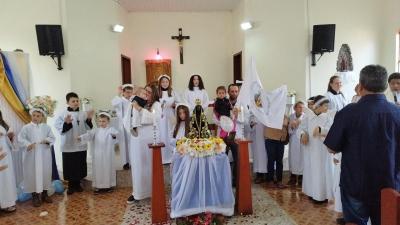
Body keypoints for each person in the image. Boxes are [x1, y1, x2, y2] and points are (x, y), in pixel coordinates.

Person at [324, 65, 400, 225]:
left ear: (361, 85)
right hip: (389, 186)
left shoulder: (348, 112)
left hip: (356, 184)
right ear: (386, 86)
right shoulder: (397, 113)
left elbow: (331, 147)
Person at [124, 83, 161, 203]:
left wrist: (140, 109)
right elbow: (127, 118)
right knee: (137, 165)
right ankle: (137, 193)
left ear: (154, 94)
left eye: (149, 92)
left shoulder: (156, 105)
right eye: (145, 92)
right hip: (137, 138)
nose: (147, 94)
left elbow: (155, 118)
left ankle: (152, 191)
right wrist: (133, 108)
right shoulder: (136, 102)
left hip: (149, 138)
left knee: (149, 164)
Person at [54, 92, 94, 195]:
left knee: (80, 163)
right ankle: (71, 185)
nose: (76, 103)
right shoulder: (62, 113)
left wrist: (89, 119)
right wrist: (66, 124)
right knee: (70, 164)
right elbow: (59, 128)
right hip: (69, 143)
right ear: (68, 102)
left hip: (80, 143)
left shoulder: (83, 113)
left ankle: (78, 184)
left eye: (77, 101)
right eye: (73, 101)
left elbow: (89, 127)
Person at [299, 95, 334, 203]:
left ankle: (321, 195)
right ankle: (311, 192)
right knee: (311, 170)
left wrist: (321, 130)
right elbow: (301, 129)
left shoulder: (327, 117)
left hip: (323, 151)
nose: (327, 108)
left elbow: (332, 130)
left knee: (321, 172)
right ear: (318, 106)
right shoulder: (307, 117)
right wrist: (302, 134)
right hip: (310, 149)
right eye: (325, 105)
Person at [18, 107, 55, 207]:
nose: (35, 118)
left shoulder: (46, 127)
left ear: (42, 117)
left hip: (44, 155)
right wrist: (27, 144)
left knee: (45, 172)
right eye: (34, 115)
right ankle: (34, 196)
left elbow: (52, 137)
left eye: (38, 116)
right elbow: (20, 138)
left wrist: (46, 140)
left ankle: (44, 194)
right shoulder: (26, 127)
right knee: (31, 174)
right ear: (31, 115)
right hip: (31, 156)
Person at [78, 112, 118, 194]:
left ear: (108, 121)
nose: (101, 123)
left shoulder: (111, 129)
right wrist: (81, 138)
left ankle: (108, 186)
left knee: (107, 168)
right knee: (98, 169)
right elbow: (89, 135)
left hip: (108, 154)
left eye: (103, 121)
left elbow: (116, 136)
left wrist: (114, 136)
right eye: (100, 121)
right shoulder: (96, 130)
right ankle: (99, 186)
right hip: (98, 153)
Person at [111, 84, 134, 170]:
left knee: (132, 143)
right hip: (123, 126)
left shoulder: (133, 100)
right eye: (127, 92)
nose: (129, 94)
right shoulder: (120, 100)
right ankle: (125, 162)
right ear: (123, 92)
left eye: (131, 92)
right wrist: (118, 93)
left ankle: (133, 161)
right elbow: (114, 103)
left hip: (131, 125)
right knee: (124, 144)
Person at [264, 115, 289, 189]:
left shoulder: (285, 116)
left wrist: (285, 123)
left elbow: (286, 124)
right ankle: (270, 180)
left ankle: (279, 181)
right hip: (270, 138)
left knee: (279, 161)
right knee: (271, 160)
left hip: (280, 140)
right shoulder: (269, 113)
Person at [0, 111, 17, 213]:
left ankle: (7, 203)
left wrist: (10, 137)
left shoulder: (4, 124)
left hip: (6, 155)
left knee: (6, 178)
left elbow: (9, 141)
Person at [158, 75, 176, 164]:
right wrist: (160, 106)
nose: (165, 83)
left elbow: (177, 102)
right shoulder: (158, 92)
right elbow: (156, 103)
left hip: (170, 115)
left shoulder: (172, 92)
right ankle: (163, 157)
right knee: (162, 133)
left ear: (169, 83)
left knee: (170, 133)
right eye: (163, 82)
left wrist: (174, 105)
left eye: (166, 82)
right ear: (160, 83)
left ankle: (171, 156)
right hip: (161, 116)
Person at [287, 101, 305, 186]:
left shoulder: (305, 117)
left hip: (302, 140)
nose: (301, 109)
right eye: (299, 107)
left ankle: (301, 178)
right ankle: (293, 178)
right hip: (294, 139)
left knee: (302, 158)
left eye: (302, 107)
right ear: (295, 108)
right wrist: (291, 126)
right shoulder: (291, 116)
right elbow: (289, 130)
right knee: (293, 158)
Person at [249, 113, 267, 184]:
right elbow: (249, 127)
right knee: (257, 158)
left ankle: (266, 175)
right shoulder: (252, 116)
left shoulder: (265, 114)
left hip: (265, 138)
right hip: (256, 140)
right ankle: (259, 175)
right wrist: (251, 125)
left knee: (265, 157)